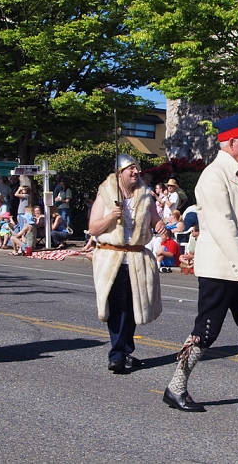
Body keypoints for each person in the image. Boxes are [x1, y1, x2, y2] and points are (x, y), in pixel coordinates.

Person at [164, 111, 238, 420]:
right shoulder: (214, 176)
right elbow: (222, 225)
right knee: (206, 331)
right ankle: (176, 387)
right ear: (231, 143)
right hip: (220, 270)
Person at [89, 153, 166, 374]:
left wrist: (160, 225)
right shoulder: (106, 194)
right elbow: (93, 228)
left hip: (136, 258)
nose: (135, 172)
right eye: (130, 169)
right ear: (120, 173)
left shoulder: (145, 196)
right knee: (117, 308)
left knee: (133, 308)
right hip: (112, 258)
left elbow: (155, 220)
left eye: (137, 169)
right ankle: (117, 355)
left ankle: (125, 350)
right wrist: (111, 217)